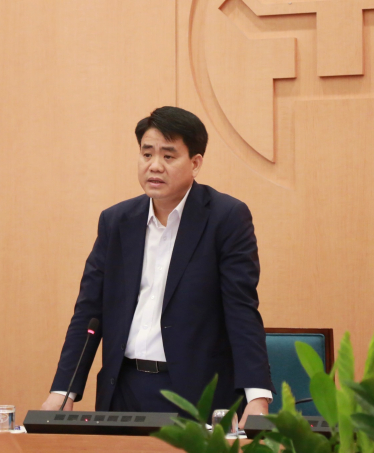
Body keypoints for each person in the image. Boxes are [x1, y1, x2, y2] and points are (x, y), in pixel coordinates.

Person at [41, 106, 274, 427]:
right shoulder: (116, 221)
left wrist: (257, 397)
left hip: (197, 394)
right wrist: (63, 390)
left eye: (168, 156)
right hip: (123, 389)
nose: (154, 165)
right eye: (147, 154)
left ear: (195, 163)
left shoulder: (225, 218)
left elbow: (241, 311)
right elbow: (89, 312)